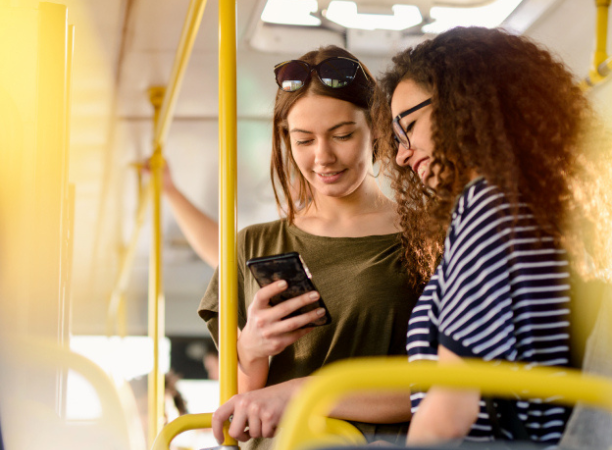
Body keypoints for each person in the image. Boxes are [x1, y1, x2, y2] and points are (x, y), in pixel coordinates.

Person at [376, 26, 597, 446]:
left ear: (462, 105)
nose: (402, 155)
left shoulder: (486, 205)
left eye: (408, 126)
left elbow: (452, 408)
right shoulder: (532, 204)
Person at [198, 46, 418, 449]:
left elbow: (440, 385)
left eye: (343, 135)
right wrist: (250, 352)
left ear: (377, 130)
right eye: (304, 140)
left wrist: (307, 391)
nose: (323, 157)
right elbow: (238, 410)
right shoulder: (254, 244)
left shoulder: (424, 236)